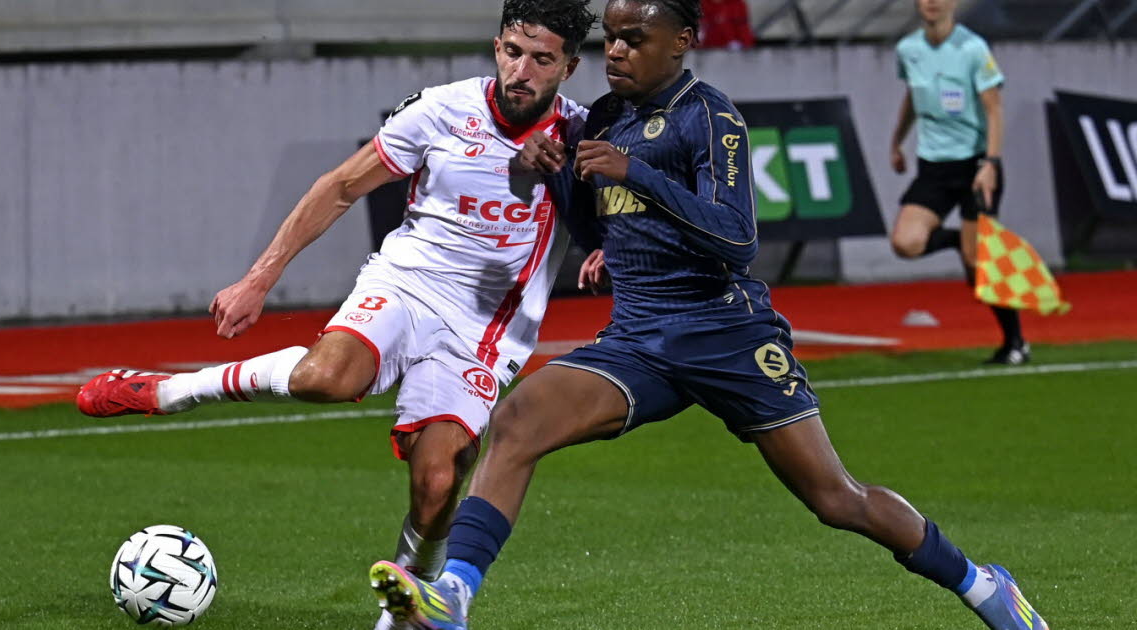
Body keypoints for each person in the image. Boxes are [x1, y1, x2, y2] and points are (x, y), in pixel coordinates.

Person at [366, 1, 1048, 629]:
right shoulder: (603, 118)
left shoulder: (709, 116)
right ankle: (454, 594)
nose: (619, 52)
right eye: (613, 38)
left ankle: (984, 586)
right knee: (516, 422)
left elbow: (737, 237)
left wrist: (639, 174)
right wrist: (557, 176)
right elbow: (599, 230)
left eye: (637, 39)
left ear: (681, 43)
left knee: (837, 500)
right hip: (638, 338)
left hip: (727, 333)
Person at [75, 2, 595, 628]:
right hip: (407, 283)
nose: (522, 70)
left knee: (438, 481)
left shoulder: (584, 138)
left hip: (485, 328)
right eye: (513, 51)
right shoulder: (440, 111)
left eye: (542, 59)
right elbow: (341, 186)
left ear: (568, 66)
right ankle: (171, 391)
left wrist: (605, 246)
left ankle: (403, 614)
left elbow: (618, 213)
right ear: (496, 47)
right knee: (327, 376)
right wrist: (256, 279)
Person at [889, 0, 1026, 364]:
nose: (932, 3)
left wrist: (991, 162)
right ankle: (959, 243)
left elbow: (994, 108)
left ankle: (1016, 342)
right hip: (933, 166)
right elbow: (913, 98)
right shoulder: (909, 49)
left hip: (974, 166)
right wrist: (897, 140)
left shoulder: (972, 48)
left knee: (978, 267)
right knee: (905, 243)